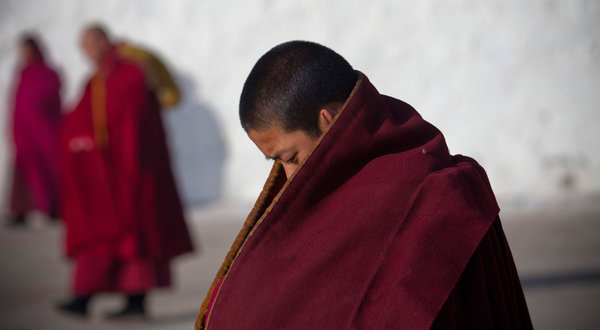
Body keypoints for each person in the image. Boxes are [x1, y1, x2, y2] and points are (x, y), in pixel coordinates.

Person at [195, 41, 532, 329]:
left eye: (292, 157)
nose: (289, 177)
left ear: (328, 120)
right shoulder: (311, 190)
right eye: (277, 163)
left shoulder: (441, 193)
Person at [57, 24, 193, 319]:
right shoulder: (102, 76)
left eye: (90, 45)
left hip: (131, 174)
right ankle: (86, 298)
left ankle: (132, 303)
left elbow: (131, 126)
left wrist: (129, 171)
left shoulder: (130, 73)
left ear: (104, 40)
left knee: (133, 238)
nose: (87, 53)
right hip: (108, 171)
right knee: (103, 233)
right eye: (84, 48)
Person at [7, 35, 61, 226]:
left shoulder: (48, 73)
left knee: (47, 169)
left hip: (44, 131)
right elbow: (18, 103)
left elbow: (50, 99)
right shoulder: (23, 73)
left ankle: (52, 207)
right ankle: (21, 210)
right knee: (23, 171)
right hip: (25, 132)